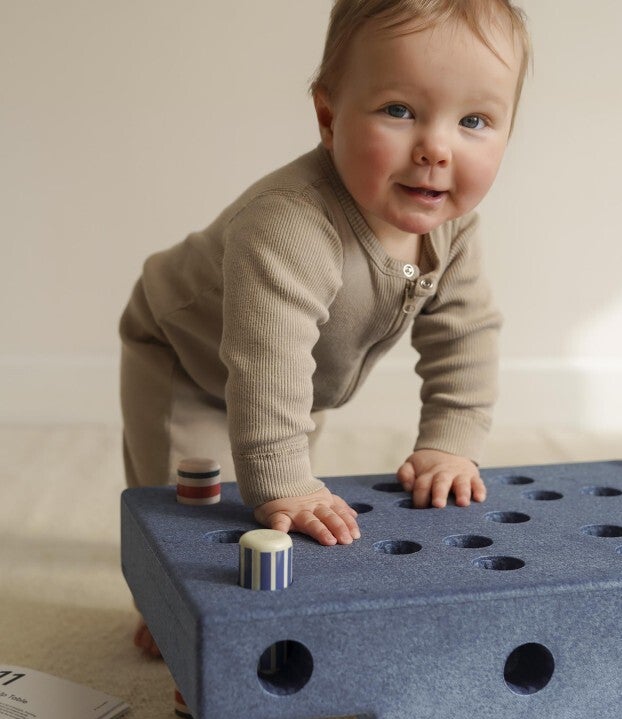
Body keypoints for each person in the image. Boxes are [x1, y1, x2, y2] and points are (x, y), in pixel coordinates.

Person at [120, 0, 530, 654]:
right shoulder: (289, 224)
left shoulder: (452, 230)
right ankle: (173, 609)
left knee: (288, 512)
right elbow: (269, 363)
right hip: (188, 360)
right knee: (197, 502)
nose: (435, 148)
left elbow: (466, 332)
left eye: (474, 121)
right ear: (329, 116)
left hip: (300, 379)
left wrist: (450, 442)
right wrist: (282, 480)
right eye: (399, 110)